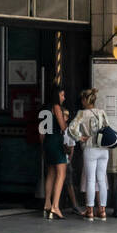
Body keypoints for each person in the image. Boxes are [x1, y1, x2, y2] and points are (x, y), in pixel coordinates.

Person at [69, 87, 110, 221]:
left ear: (84, 100)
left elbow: (71, 129)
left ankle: (90, 211)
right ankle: (102, 211)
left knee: (91, 180)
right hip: (103, 149)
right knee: (101, 180)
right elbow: (107, 129)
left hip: (90, 148)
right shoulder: (102, 113)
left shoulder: (82, 113)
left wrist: (80, 137)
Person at [42, 85, 69, 220]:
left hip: (47, 141)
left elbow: (41, 132)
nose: (64, 98)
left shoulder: (44, 109)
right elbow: (63, 127)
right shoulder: (56, 107)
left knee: (51, 172)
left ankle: (47, 204)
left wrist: (44, 146)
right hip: (56, 140)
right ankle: (55, 206)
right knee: (61, 173)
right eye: (62, 95)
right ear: (57, 95)